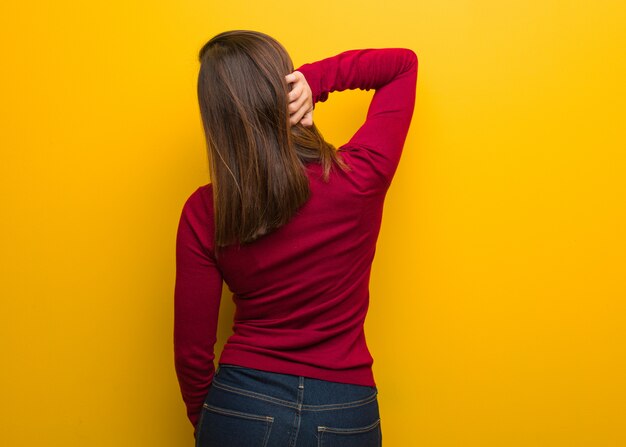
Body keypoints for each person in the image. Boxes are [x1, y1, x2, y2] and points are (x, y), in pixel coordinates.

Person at [174, 29, 418, 447]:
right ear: (285, 90)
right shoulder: (359, 177)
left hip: (240, 403)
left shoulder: (206, 211)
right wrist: (314, 79)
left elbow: (192, 351)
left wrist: (212, 423)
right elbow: (402, 66)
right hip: (345, 405)